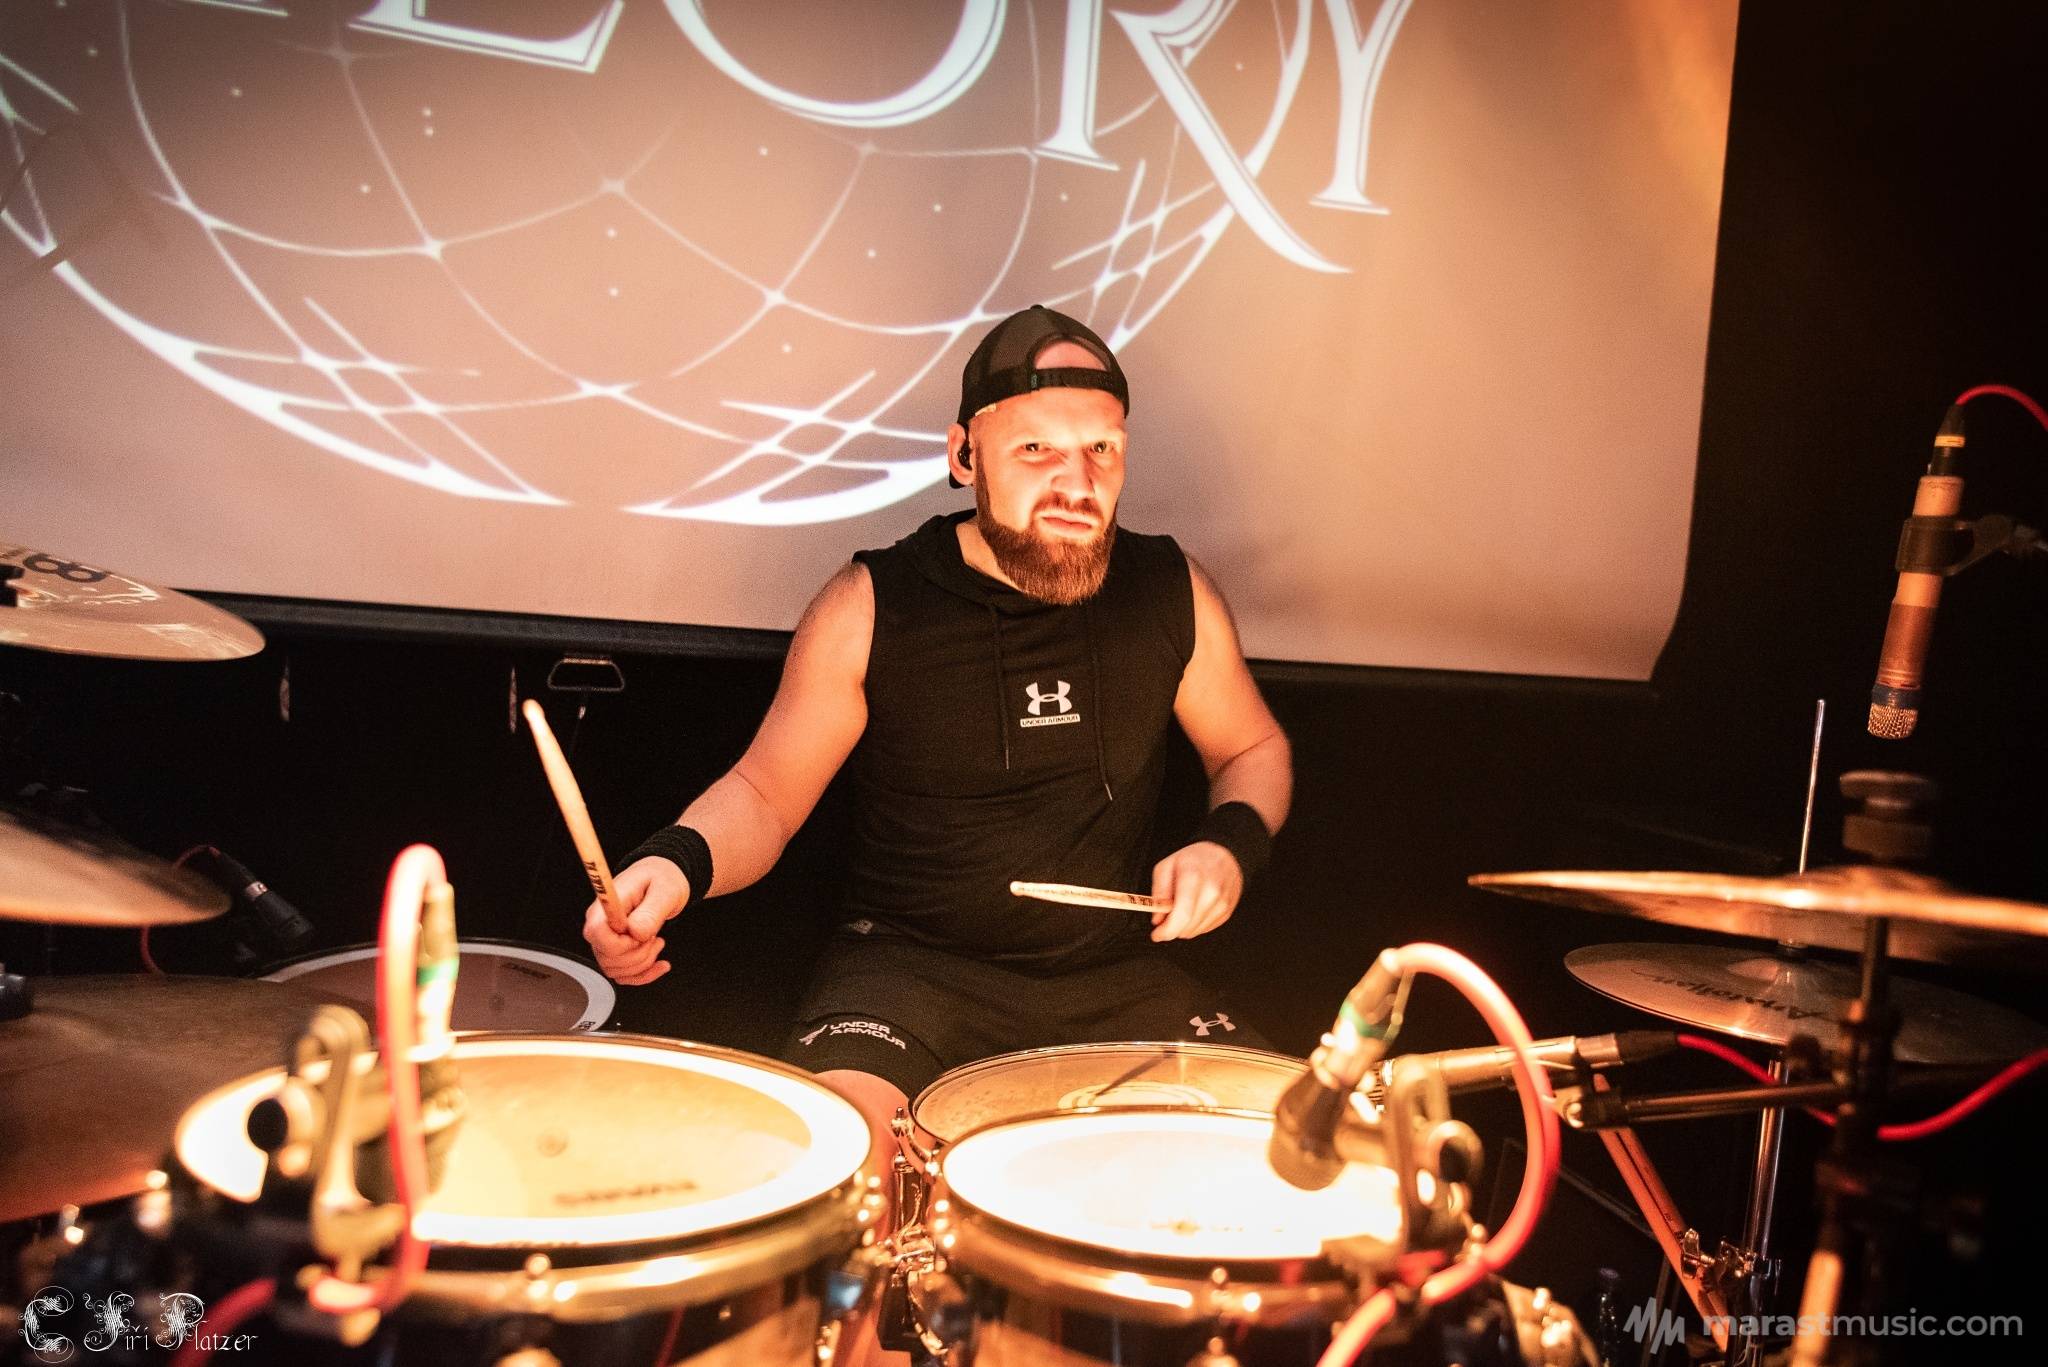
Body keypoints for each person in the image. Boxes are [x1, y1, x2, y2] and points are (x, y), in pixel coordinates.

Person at [583, 301, 1292, 1189]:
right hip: (909, 978)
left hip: (1109, 977)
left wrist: (1229, 845)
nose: (1076, 482)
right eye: (1035, 449)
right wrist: (674, 865)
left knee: (1288, 1154)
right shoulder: (872, 604)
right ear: (964, 456)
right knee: (848, 1174)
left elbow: (1251, 749)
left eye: (1100, 449)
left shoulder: (1167, 589)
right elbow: (764, 797)